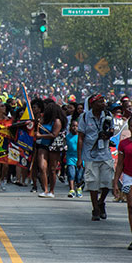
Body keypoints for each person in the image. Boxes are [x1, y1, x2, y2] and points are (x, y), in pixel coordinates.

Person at [77, 93, 115, 221]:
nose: (103, 104)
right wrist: (79, 158)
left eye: (103, 102)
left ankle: (101, 201)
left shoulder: (108, 115)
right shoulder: (84, 117)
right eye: (100, 102)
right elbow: (81, 138)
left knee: (107, 182)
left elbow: (112, 130)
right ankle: (95, 209)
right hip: (90, 155)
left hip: (105, 154)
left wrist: (107, 135)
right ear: (92, 104)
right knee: (92, 183)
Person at [113, 117, 132, 250]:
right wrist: (115, 182)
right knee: (130, 206)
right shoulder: (124, 144)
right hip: (128, 177)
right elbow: (119, 164)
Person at [66, 119, 83, 198]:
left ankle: (79, 188)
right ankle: (72, 190)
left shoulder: (81, 137)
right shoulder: (67, 137)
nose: (74, 128)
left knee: (79, 176)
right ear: (70, 127)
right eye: (73, 126)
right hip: (70, 158)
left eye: (76, 126)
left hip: (80, 158)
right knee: (71, 174)